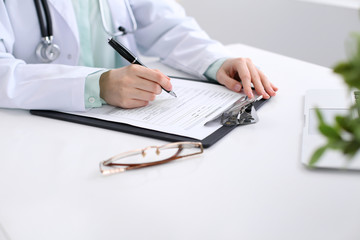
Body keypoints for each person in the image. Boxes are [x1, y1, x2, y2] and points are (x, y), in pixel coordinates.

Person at [0, 0, 278, 111]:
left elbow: (166, 24)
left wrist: (216, 61)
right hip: (41, 130)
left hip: (126, 117)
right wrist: (96, 84)